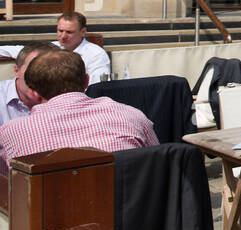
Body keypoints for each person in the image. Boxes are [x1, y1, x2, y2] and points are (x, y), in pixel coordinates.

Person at [0, 50, 157, 174]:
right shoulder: (132, 116)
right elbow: (157, 165)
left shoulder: (11, 132)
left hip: (50, 212)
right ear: (87, 81)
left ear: (34, 93)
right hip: (128, 211)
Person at [0, 43, 58, 125]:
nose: (41, 77)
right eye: (33, 70)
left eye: (49, 71)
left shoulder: (65, 97)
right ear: (16, 71)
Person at [53, 12, 110, 84]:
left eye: (69, 32)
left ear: (83, 32)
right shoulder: (49, 49)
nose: (63, 36)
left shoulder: (96, 55)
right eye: (60, 31)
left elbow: (97, 86)